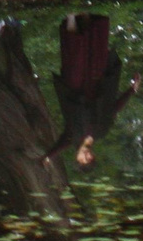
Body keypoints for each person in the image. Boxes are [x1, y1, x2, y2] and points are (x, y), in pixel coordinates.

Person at [49, 12, 138, 171]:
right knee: (94, 53)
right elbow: (113, 109)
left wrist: (47, 157)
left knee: (75, 55)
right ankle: (85, 17)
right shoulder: (101, 132)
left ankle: (71, 16)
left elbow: (59, 146)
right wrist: (131, 90)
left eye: (84, 159)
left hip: (75, 89)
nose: (88, 156)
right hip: (94, 85)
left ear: (77, 158)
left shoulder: (72, 137)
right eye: (90, 158)